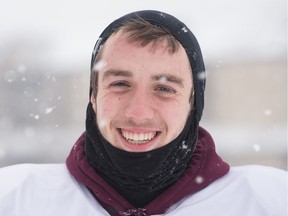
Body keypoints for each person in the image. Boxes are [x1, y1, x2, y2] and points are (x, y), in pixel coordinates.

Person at [0, 10, 286, 216]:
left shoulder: (268, 201)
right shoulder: (15, 198)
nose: (138, 113)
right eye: (120, 84)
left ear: (193, 103)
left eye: (164, 89)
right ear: (93, 96)